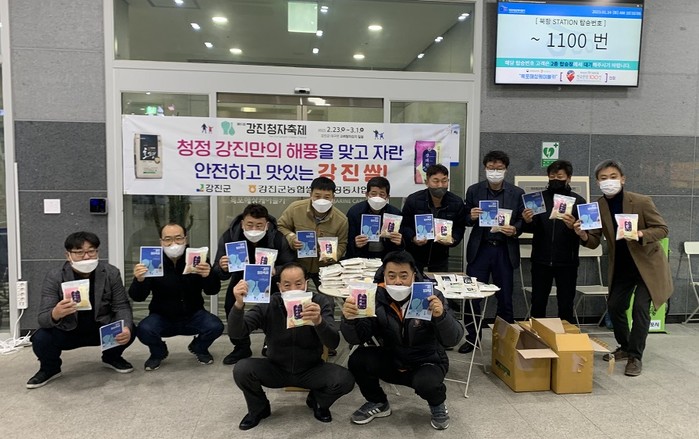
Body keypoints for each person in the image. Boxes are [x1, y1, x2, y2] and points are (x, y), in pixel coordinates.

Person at [341, 251, 464, 430]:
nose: (398, 281)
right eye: (392, 276)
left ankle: (437, 405)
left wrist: (441, 316)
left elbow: (453, 339)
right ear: (384, 276)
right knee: (357, 359)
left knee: (427, 384)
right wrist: (350, 320)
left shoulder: (432, 296)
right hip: (393, 358)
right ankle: (378, 402)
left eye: (404, 276)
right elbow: (358, 338)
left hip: (427, 361)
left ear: (414, 275)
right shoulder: (375, 297)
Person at [574, 159, 672, 377]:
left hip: (648, 266)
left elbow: (662, 229)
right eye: (603, 178)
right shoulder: (597, 207)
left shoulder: (641, 201)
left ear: (623, 179)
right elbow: (594, 241)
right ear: (597, 182)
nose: (608, 181)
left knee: (640, 309)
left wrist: (640, 234)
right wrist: (582, 234)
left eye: (613, 177)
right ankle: (625, 346)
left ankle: (635, 357)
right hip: (621, 266)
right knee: (615, 307)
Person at [229, 262, 355, 430]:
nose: (293, 289)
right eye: (287, 285)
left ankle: (318, 401)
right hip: (276, 368)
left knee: (344, 379)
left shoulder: (319, 302)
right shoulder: (269, 303)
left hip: (311, 369)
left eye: (298, 284)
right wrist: (238, 305)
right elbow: (237, 333)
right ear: (279, 287)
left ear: (306, 284)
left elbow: (333, 342)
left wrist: (319, 321)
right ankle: (259, 408)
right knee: (242, 369)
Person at [27, 231, 135, 389]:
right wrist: (55, 313)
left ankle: (112, 357)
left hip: (101, 328)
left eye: (91, 251)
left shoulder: (110, 273)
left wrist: (126, 326)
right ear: (68, 255)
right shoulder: (55, 276)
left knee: (129, 328)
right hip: (67, 330)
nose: (86, 257)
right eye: (79, 252)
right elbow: (43, 318)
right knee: (41, 338)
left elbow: (121, 305)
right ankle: (50, 368)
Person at [129, 223, 224, 371]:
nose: (173, 243)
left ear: (185, 239)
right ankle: (158, 353)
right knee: (143, 330)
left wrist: (208, 276)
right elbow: (138, 297)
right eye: (167, 239)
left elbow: (213, 290)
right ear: (161, 242)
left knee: (216, 326)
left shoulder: (198, 259)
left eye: (178, 238)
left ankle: (199, 347)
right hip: (162, 316)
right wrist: (139, 280)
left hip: (193, 314)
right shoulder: (151, 262)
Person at [213, 203, 295, 365]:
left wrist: (276, 271)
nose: (254, 229)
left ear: (267, 225)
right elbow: (218, 270)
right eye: (250, 224)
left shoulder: (277, 238)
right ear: (242, 223)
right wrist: (222, 267)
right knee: (231, 304)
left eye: (259, 225)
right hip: (240, 278)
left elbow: (290, 264)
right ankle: (241, 346)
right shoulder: (230, 236)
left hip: (270, 280)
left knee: (277, 307)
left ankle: (271, 342)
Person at [460, 150, 524, 354]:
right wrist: (470, 216)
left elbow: (522, 220)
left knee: (505, 297)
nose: (495, 172)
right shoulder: (474, 190)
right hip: (480, 249)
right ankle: (472, 338)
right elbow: (465, 218)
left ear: (506, 170)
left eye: (499, 168)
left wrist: (515, 229)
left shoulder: (517, 193)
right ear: (484, 168)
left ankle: (504, 341)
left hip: (504, 250)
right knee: (473, 296)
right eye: (491, 168)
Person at [522, 160, 586, 322]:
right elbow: (531, 228)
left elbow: (586, 232)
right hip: (541, 260)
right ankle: (537, 334)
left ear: (568, 178)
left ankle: (565, 335)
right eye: (552, 176)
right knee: (538, 302)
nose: (555, 179)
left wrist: (574, 226)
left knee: (565, 304)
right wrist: (527, 220)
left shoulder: (578, 201)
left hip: (567, 261)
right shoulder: (538, 199)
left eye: (560, 176)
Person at [278, 176, 349, 288]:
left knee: (325, 298)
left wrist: (332, 255)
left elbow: (342, 243)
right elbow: (281, 226)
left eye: (327, 197)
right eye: (317, 196)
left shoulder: (341, 220)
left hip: (324, 270)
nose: (322, 200)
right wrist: (292, 238)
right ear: (310, 194)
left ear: (333, 197)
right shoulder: (295, 208)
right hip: (297, 266)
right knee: (296, 295)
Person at [401, 164, 466, 272]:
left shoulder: (456, 202)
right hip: (414, 257)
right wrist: (413, 238)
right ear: (427, 182)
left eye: (444, 181)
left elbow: (459, 227)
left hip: (440, 258)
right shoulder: (413, 200)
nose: (440, 185)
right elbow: (404, 225)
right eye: (436, 181)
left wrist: (453, 239)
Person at [345, 176, 403, 259]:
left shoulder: (395, 214)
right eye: (373, 194)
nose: (377, 197)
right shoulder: (355, 212)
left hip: (386, 258)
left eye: (382, 194)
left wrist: (399, 242)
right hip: (361, 258)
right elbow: (347, 241)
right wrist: (355, 244)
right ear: (367, 195)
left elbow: (400, 247)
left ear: (387, 197)